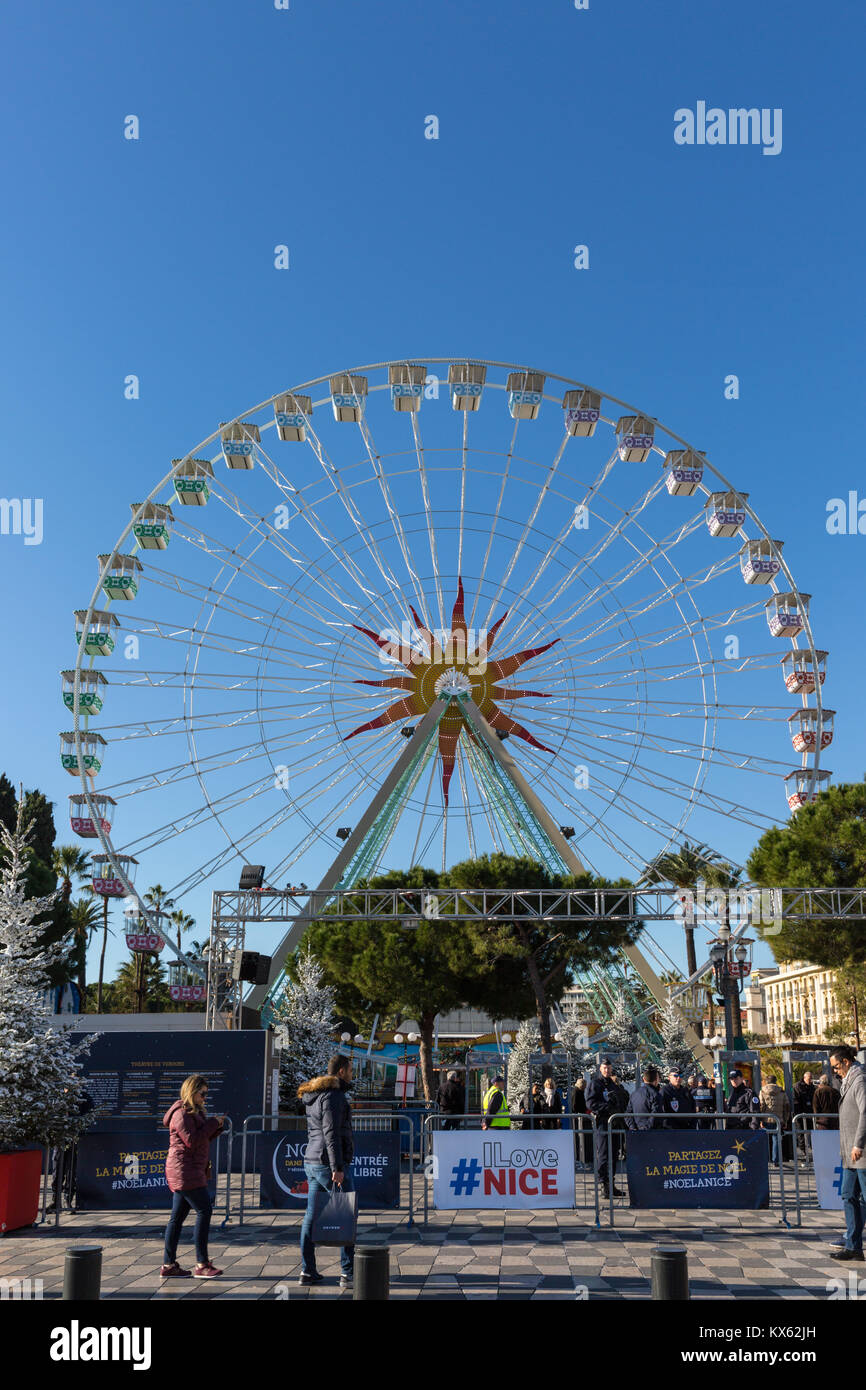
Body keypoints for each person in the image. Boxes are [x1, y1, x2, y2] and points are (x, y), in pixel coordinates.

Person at [298, 1053, 356, 1288]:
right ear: (341, 1071)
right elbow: (331, 1133)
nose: (353, 1074)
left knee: (311, 1217)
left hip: (312, 1161)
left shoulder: (314, 1095)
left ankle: (307, 1271)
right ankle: (348, 1273)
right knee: (346, 1215)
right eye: (350, 1070)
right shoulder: (333, 1096)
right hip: (326, 1163)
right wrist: (337, 1167)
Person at [160, 1074, 225, 1279]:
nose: (205, 1097)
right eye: (202, 1093)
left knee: (176, 1219)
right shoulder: (181, 1114)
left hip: (187, 1169)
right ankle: (202, 1264)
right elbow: (192, 1140)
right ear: (192, 1091)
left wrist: (216, 1128)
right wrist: (213, 1123)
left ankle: (169, 1265)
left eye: (206, 1093)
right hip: (185, 1171)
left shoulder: (191, 1113)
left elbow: (200, 1139)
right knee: (204, 1211)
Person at [828, 1046, 866, 1263]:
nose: (835, 1071)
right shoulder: (848, 1081)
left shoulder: (860, 1080)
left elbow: (865, 1112)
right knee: (847, 1195)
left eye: (836, 1066)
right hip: (850, 1153)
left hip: (861, 1152)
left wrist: (858, 1144)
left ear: (846, 1062)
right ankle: (853, 1246)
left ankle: (853, 1244)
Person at [49, 1082, 94, 1212]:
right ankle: (55, 1201)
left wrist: (78, 1125)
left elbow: (89, 1114)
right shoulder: (57, 1098)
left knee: (71, 1169)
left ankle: (68, 1200)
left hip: (75, 1138)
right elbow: (51, 1114)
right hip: (60, 1138)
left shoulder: (84, 1098)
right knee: (57, 1168)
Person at [586, 1058, 623, 1198]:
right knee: (603, 1154)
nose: (607, 1070)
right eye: (604, 1068)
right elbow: (590, 1103)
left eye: (609, 1068)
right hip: (602, 1122)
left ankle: (611, 1184)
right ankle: (604, 1185)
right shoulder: (595, 1084)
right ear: (600, 1069)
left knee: (613, 1154)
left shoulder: (612, 1084)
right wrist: (607, 1108)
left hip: (613, 1123)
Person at [759, 1073, 791, 1166]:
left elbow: (761, 1106)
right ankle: (775, 1160)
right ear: (775, 1081)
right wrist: (785, 1120)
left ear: (766, 1081)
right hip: (778, 1120)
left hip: (765, 1120)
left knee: (765, 1140)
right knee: (776, 1140)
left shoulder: (762, 1091)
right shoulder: (782, 1091)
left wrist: (760, 1119)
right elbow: (787, 1107)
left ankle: (765, 1159)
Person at [625, 1065, 664, 1131]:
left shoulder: (634, 1094)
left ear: (643, 1079)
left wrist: (633, 1127)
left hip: (636, 1132)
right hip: (651, 1132)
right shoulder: (656, 1095)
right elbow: (656, 1115)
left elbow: (628, 1113)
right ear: (656, 1080)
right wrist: (645, 1129)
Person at [793, 1070, 817, 1154]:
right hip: (800, 1113)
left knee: (811, 1131)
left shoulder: (812, 1087)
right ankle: (803, 1150)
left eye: (811, 1079)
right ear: (804, 1078)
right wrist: (798, 1112)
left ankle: (812, 1148)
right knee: (801, 1132)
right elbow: (796, 1100)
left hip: (810, 1113)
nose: (810, 1080)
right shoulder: (797, 1086)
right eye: (809, 1078)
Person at [572, 1076, 589, 1164]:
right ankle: (579, 1157)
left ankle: (580, 1157)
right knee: (579, 1138)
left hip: (580, 1114)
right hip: (578, 1116)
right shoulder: (577, 1092)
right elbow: (575, 1104)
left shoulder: (578, 1091)